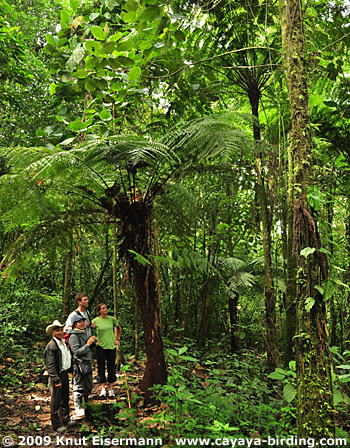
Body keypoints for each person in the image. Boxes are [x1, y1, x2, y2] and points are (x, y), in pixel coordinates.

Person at [44, 320, 74, 433]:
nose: (60, 332)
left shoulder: (63, 343)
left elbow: (66, 357)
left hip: (64, 373)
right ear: (53, 332)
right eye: (57, 330)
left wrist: (70, 370)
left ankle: (65, 419)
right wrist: (56, 379)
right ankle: (56, 424)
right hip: (56, 375)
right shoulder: (52, 346)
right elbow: (50, 365)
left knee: (65, 398)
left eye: (61, 330)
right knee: (56, 401)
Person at [68, 315, 97, 416]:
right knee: (79, 386)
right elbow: (76, 352)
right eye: (79, 322)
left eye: (83, 322)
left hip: (87, 363)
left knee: (88, 385)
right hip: (79, 363)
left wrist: (93, 344)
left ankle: (86, 404)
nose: (82, 324)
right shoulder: (74, 336)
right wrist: (88, 344)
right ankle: (78, 407)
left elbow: (87, 348)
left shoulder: (84, 333)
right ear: (75, 324)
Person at [92, 303, 121, 398]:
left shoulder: (112, 319)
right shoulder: (95, 320)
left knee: (111, 367)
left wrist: (117, 339)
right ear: (99, 311)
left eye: (106, 307)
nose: (105, 309)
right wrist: (94, 340)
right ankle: (103, 389)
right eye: (103, 308)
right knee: (101, 367)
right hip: (100, 347)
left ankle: (111, 389)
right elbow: (89, 330)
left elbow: (119, 328)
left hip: (111, 346)